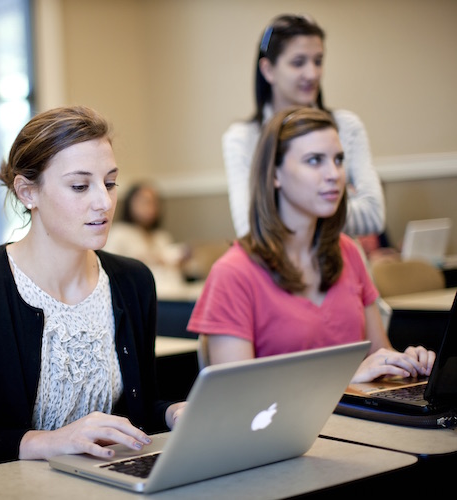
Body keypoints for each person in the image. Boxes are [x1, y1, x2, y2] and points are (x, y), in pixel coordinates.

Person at [0, 105, 186, 477]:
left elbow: (139, 408)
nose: (104, 201)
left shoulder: (132, 281)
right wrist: (44, 441)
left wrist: (172, 412)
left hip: (104, 483)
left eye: (110, 182)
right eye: (80, 185)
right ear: (27, 192)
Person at [187, 107, 434, 383]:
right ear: (275, 175)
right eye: (315, 160)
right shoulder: (233, 272)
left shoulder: (348, 252)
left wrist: (404, 362)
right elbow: (237, 397)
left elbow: (379, 355)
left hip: (356, 424)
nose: (334, 174)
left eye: (338, 160)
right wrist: (344, 377)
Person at [223, 14, 385, 239]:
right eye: (298, 62)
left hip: (342, 265)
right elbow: (250, 229)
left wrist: (291, 207)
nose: (312, 74)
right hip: (278, 271)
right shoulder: (243, 138)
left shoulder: (347, 126)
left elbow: (373, 215)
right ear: (268, 69)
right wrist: (332, 200)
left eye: (318, 61)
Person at [104, 182, 189, 295]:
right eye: (145, 202)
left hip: (173, 292)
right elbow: (108, 268)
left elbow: (175, 272)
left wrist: (180, 263)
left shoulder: (161, 237)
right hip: (138, 294)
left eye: (154, 203)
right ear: (130, 204)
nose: (150, 207)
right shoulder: (120, 233)